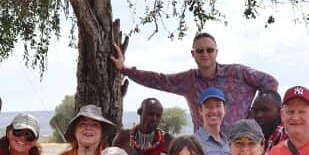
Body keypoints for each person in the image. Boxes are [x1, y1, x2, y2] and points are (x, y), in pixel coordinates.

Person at [111, 32, 279, 129]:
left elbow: (271, 82)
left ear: (216, 52)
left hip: (242, 145)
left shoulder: (237, 73)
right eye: (200, 51)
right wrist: (125, 69)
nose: (205, 54)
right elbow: (158, 80)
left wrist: (252, 115)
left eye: (209, 50)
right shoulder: (188, 81)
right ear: (193, 54)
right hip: (205, 150)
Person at [195, 87, 233, 155]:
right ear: (200, 110)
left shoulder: (229, 142)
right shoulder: (193, 143)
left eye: (218, 105)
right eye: (208, 106)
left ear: (225, 109)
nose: (214, 111)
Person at [250, 89, 288, 155]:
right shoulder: (250, 135)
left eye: (264, 110)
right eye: (255, 110)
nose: (258, 115)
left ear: (280, 112)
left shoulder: (288, 137)